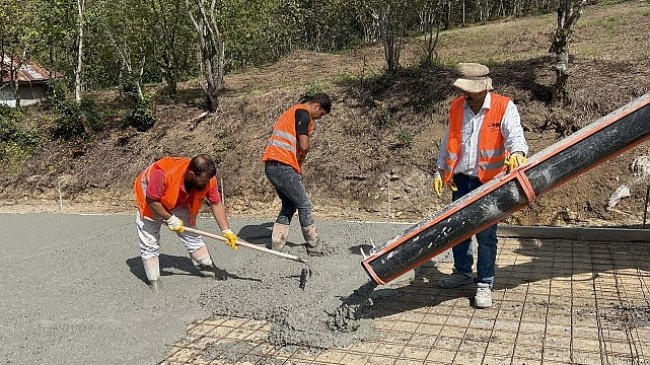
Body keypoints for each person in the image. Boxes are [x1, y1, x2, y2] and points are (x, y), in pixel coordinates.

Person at [433, 63, 528, 308]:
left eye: (470, 91)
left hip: (489, 181)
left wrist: (517, 152)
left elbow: (515, 135)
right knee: (458, 230)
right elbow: (448, 140)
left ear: (484, 88)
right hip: (460, 179)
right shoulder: (457, 106)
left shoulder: (503, 106)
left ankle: (484, 282)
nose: (466, 95)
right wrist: (440, 169)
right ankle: (461, 272)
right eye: (464, 90)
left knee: (486, 235)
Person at [134, 154, 238, 291]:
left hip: (178, 200)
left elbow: (216, 203)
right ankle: (154, 280)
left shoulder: (208, 179)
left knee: (192, 235)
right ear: (191, 174)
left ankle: (207, 269)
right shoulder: (164, 173)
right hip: (150, 201)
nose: (206, 184)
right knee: (149, 242)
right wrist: (170, 219)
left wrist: (226, 230)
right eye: (203, 181)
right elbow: (152, 200)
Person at [262, 93, 332, 256]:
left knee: (289, 205)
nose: (319, 118)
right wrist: (302, 157)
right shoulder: (303, 113)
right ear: (316, 106)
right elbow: (304, 145)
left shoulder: (291, 112)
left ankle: (277, 244)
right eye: (320, 114)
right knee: (304, 205)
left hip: (272, 166)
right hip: (283, 166)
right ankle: (315, 247)